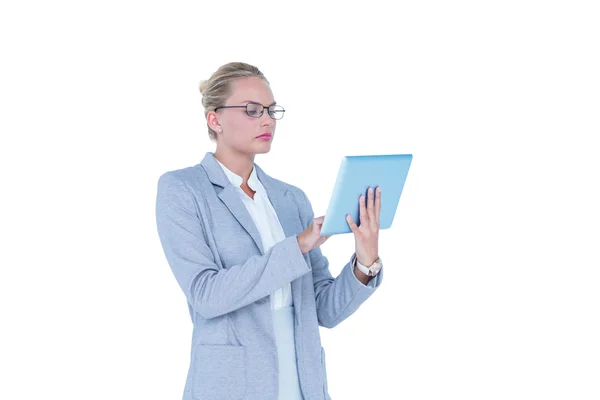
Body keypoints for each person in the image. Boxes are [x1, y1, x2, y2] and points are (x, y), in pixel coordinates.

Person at [155, 61, 384, 400]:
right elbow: (206, 295)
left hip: (302, 381)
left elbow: (323, 310)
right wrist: (298, 246)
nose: (266, 120)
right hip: (232, 384)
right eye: (252, 110)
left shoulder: (291, 199)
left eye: (271, 110)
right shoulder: (183, 189)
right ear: (214, 120)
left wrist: (365, 261)